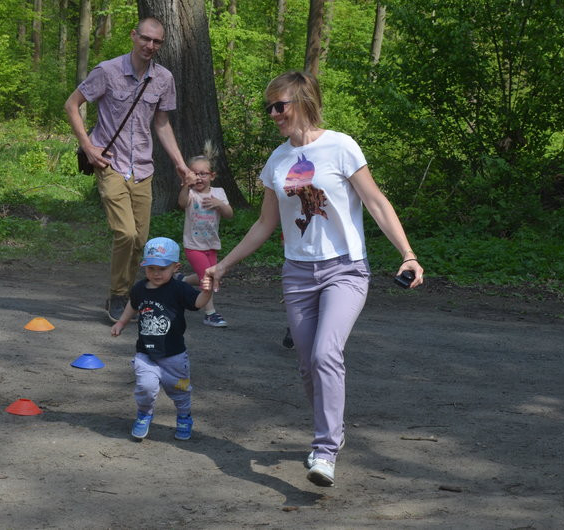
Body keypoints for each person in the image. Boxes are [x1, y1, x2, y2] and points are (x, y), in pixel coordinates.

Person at [202, 71, 424, 488]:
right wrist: (224, 264)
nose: (273, 113)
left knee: (325, 354)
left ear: (303, 101)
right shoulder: (277, 160)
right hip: (298, 273)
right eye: (268, 107)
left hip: (346, 269)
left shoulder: (340, 146)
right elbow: (264, 225)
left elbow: (376, 202)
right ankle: (333, 432)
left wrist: (407, 255)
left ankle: (324, 450)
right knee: (307, 366)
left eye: (279, 105)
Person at [64, 17, 194, 323]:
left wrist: (179, 163)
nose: (150, 46)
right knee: (125, 232)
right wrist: (89, 147)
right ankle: (119, 294)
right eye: (145, 39)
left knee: (140, 239)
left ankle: (132, 294)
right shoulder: (107, 71)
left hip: (143, 167)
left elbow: (162, 123)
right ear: (134, 36)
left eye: (157, 42)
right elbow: (72, 104)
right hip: (110, 163)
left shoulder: (163, 78)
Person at [111, 237, 213, 441]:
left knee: (180, 391)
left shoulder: (179, 289)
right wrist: (121, 322)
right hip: (146, 353)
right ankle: (144, 414)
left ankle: (184, 417)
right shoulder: (140, 288)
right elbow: (133, 304)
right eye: (151, 269)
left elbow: (198, 303)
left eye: (162, 269)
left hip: (174, 355)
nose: (156, 273)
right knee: (145, 387)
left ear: (176, 267)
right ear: (144, 267)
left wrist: (208, 290)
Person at [177, 141, 233, 327]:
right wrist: (185, 185)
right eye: (195, 173)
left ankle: (182, 280)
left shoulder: (219, 193)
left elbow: (229, 214)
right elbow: (181, 203)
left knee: (211, 275)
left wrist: (220, 205)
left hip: (211, 245)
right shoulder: (191, 194)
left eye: (203, 174)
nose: (199, 178)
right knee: (207, 280)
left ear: (212, 175)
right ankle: (210, 313)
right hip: (193, 246)